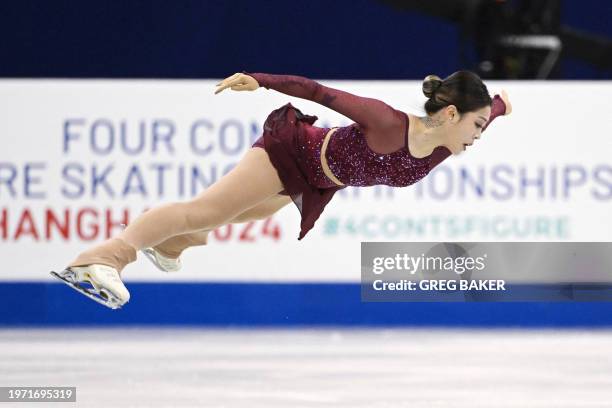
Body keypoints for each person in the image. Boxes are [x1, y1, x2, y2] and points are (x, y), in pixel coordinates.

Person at [50, 71, 512, 309]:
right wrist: (261, 80)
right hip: (291, 153)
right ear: (450, 116)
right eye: (476, 125)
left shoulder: (444, 146)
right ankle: (99, 261)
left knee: (220, 218)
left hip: (313, 180)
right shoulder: (387, 121)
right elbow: (316, 91)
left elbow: (491, 105)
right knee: (202, 211)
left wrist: (500, 105)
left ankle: (171, 241)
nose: (478, 134)